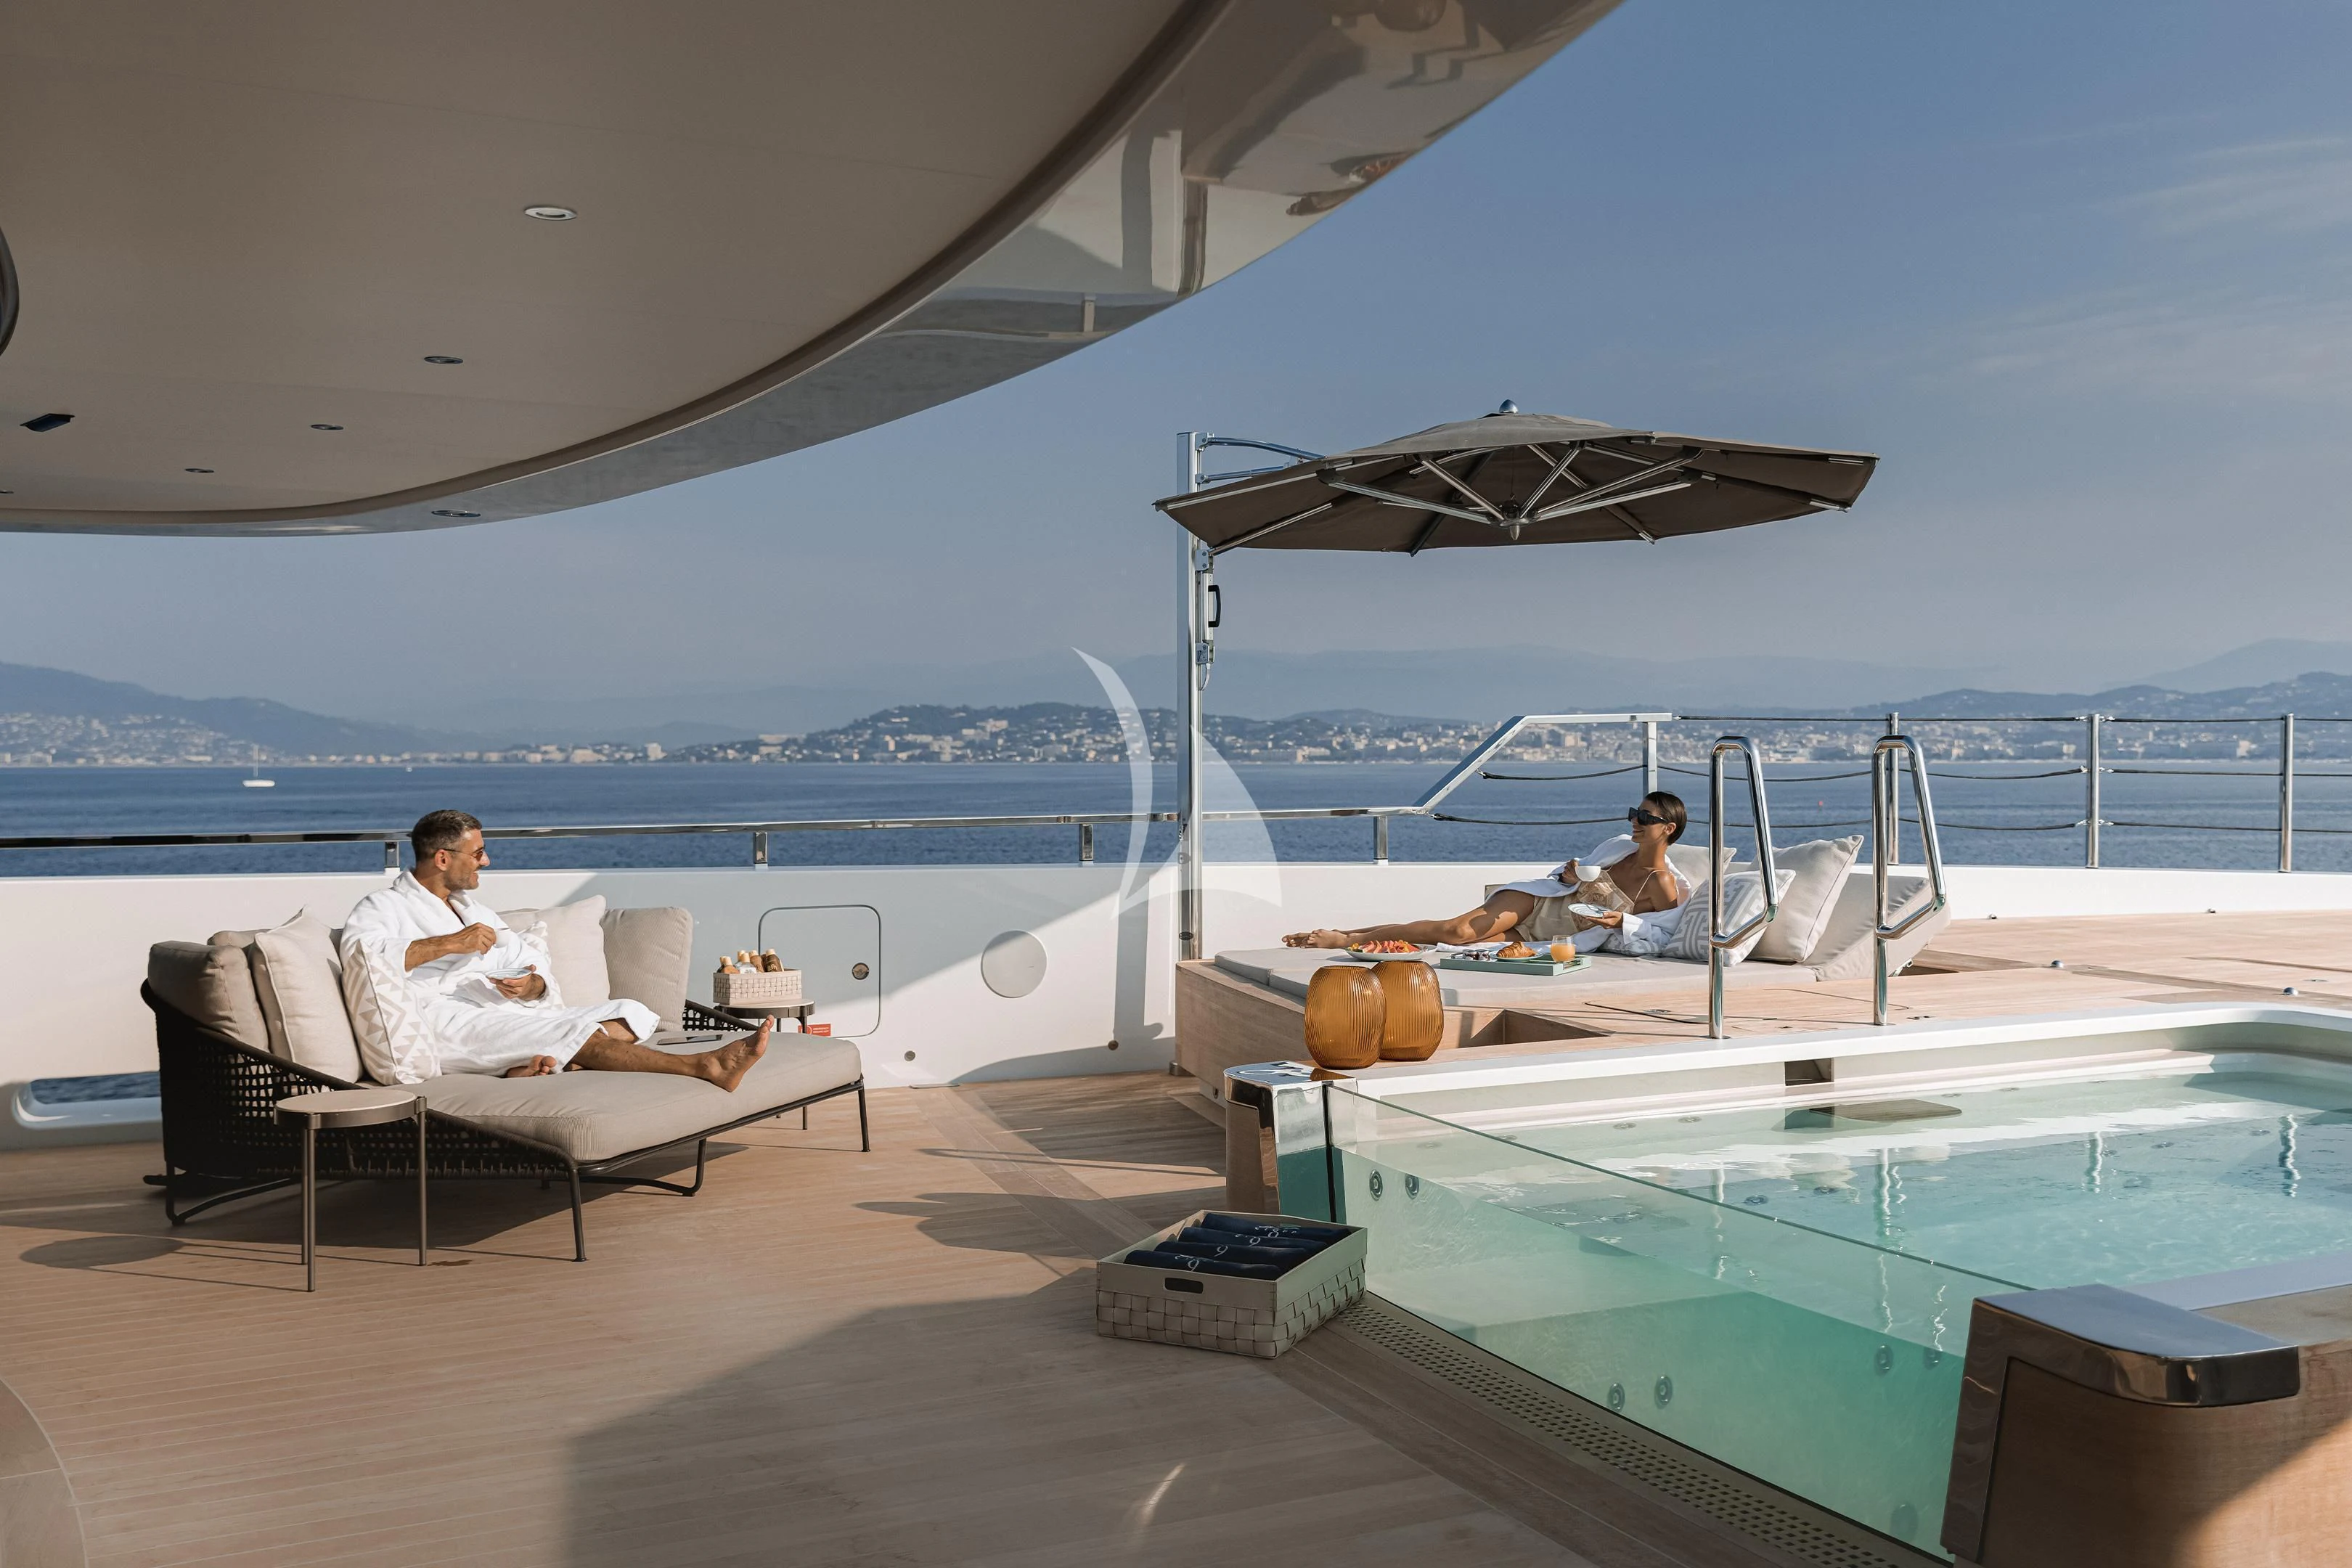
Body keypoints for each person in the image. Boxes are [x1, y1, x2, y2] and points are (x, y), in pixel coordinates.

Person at [340, 810, 769, 1087]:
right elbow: (363, 957)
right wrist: (451, 943)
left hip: (499, 1010)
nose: (486, 862)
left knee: (631, 1011)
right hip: (446, 1021)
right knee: (569, 1032)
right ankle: (704, 1067)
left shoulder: (469, 907)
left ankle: (530, 1065)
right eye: (478, 853)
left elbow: (524, 957)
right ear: (442, 858)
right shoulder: (383, 906)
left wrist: (531, 986)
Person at [1282, 791, 1694, 956]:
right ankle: (1345, 937)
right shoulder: (1619, 847)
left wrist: (1620, 920)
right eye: (1634, 814)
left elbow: (1661, 937)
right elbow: (1566, 878)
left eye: (1645, 817)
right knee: (1457, 931)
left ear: (1668, 829)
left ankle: (1361, 942)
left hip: (1556, 934)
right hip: (1538, 902)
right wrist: (1569, 876)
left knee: (1456, 948)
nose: (1635, 822)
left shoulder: (1663, 884)